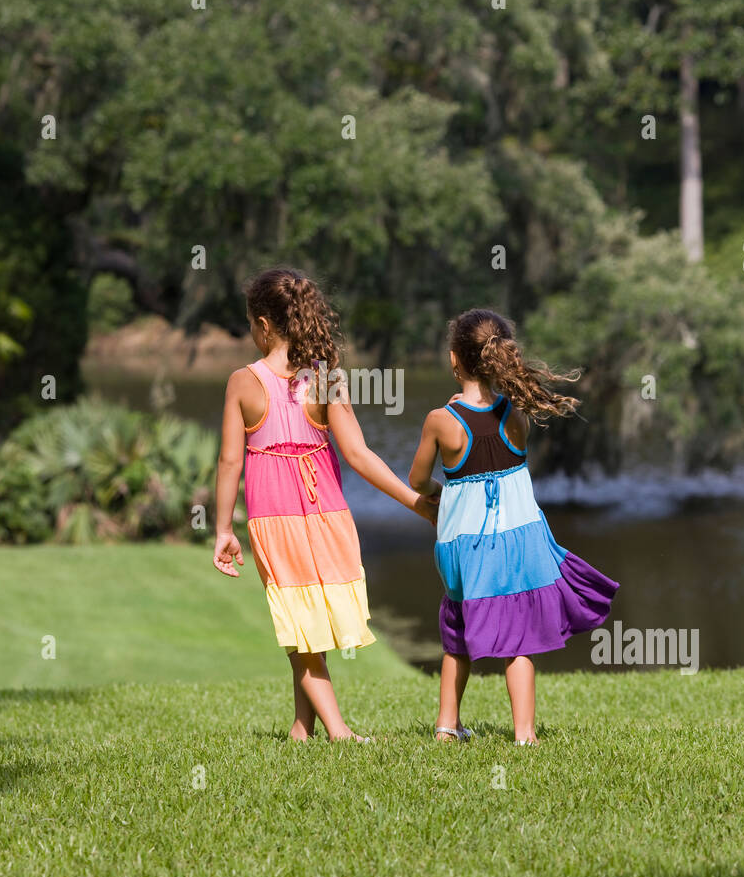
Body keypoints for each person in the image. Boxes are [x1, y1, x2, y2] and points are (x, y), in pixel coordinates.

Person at [213, 266, 437, 741]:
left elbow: (230, 462)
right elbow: (359, 455)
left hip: (276, 521)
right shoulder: (326, 378)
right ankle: (303, 727)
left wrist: (222, 530)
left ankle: (338, 731)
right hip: (329, 515)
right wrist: (415, 501)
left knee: (302, 623)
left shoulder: (243, 382)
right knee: (308, 619)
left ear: (264, 325)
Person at [409, 308, 619, 744]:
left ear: (454, 360)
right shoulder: (516, 415)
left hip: (462, 546)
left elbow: (416, 480)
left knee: (457, 627)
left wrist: (439, 492)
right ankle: (525, 735)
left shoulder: (441, 421)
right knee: (519, 638)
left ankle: (447, 726)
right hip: (519, 541)